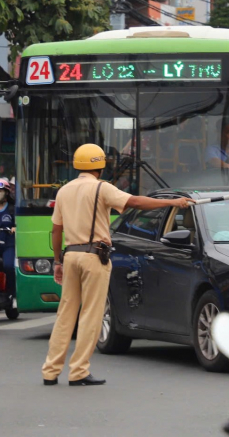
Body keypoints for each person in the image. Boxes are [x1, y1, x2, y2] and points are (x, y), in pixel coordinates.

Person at [42, 144, 194, 386]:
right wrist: (172, 203)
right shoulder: (102, 188)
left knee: (65, 314)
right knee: (91, 314)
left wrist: (58, 261)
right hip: (94, 256)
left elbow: (56, 229)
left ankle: (50, 371)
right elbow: (136, 202)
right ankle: (78, 371)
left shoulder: (64, 191)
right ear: (100, 166)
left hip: (70, 256)